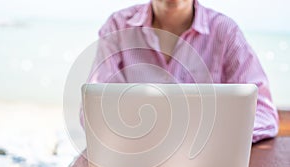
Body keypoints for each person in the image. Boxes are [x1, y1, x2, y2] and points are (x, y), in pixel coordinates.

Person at [84, 0, 279, 143]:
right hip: (134, 161)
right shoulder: (117, 27)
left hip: (206, 164)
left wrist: (222, 138)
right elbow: (93, 110)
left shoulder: (225, 32)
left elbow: (264, 112)